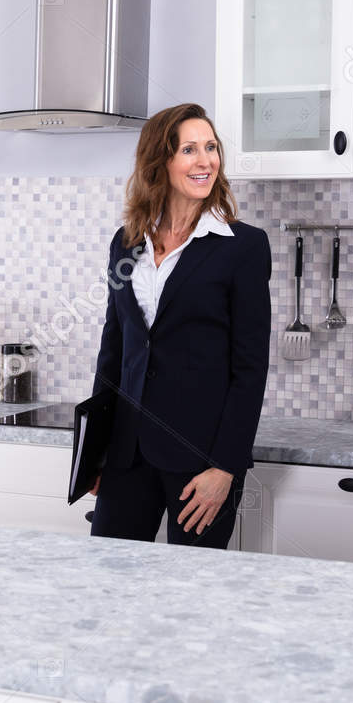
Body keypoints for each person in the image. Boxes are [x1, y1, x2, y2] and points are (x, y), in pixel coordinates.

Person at [87, 103, 271, 549]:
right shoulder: (126, 243)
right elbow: (115, 349)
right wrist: (95, 451)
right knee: (108, 575)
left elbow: (250, 368)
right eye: (189, 149)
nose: (205, 160)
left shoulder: (243, 247)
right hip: (126, 453)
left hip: (202, 458)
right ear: (160, 161)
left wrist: (225, 467)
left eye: (211, 148)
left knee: (194, 586)